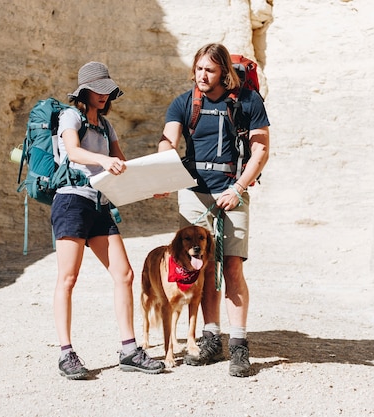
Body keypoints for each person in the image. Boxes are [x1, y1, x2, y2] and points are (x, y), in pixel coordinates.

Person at [157, 43, 270, 377]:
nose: (202, 76)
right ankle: (210, 337)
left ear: (224, 72)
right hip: (195, 194)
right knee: (202, 267)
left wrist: (238, 189)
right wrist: (163, 165)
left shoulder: (248, 102)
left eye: (210, 70)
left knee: (232, 267)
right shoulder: (184, 103)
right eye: (198, 69)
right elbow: (168, 140)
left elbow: (260, 150)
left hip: (233, 190)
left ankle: (239, 346)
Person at [52, 61, 165, 380]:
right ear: (84, 92)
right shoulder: (70, 116)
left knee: (124, 274)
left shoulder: (105, 126)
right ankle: (65, 353)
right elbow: (73, 151)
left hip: (98, 205)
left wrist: (151, 187)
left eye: (107, 90)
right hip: (71, 201)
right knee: (68, 278)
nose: (104, 95)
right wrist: (103, 160)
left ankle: (129, 350)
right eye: (97, 90)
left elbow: (123, 166)